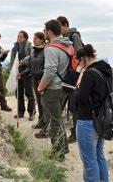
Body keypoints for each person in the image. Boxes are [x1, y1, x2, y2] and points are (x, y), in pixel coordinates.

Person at [74, 44, 110, 182]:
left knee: (89, 160)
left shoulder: (90, 73)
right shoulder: (106, 70)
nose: (79, 65)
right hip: (101, 119)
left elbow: (82, 97)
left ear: (84, 59)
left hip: (87, 120)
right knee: (99, 155)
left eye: (79, 61)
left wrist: (76, 90)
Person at [37, 19, 71, 161]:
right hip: (63, 86)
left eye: (44, 31)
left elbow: (50, 71)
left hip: (53, 89)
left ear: (49, 31)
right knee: (58, 119)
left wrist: (40, 87)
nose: (44, 33)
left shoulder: (51, 48)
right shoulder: (67, 45)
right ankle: (63, 148)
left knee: (53, 121)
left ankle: (58, 153)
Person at [57, 16, 84, 143]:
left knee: (73, 105)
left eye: (59, 26)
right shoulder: (65, 37)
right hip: (68, 75)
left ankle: (76, 133)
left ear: (65, 25)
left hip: (74, 77)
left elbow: (79, 55)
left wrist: (75, 74)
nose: (58, 29)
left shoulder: (74, 36)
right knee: (64, 103)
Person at [20, 32, 46, 130]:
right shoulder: (32, 51)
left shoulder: (46, 50)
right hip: (34, 80)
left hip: (43, 80)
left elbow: (47, 67)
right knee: (39, 102)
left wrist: (40, 76)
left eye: (36, 38)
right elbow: (30, 66)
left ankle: (46, 124)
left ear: (42, 40)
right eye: (33, 38)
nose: (34, 40)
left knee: (44, 102)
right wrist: (22, 73)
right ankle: (41, 121)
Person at [10, 30, 35, 120]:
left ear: (25, 38)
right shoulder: (15, 47)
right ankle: (21, 112)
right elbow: (12, 61)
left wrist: (24, 62)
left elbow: (32, 59)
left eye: (21, 36)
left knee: (29, 93)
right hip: (17, 73)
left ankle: (31, 112)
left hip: (27, 72)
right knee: (18, 93)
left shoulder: (29, 47)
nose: (18, 38)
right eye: (18, 36)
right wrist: (12, 72)